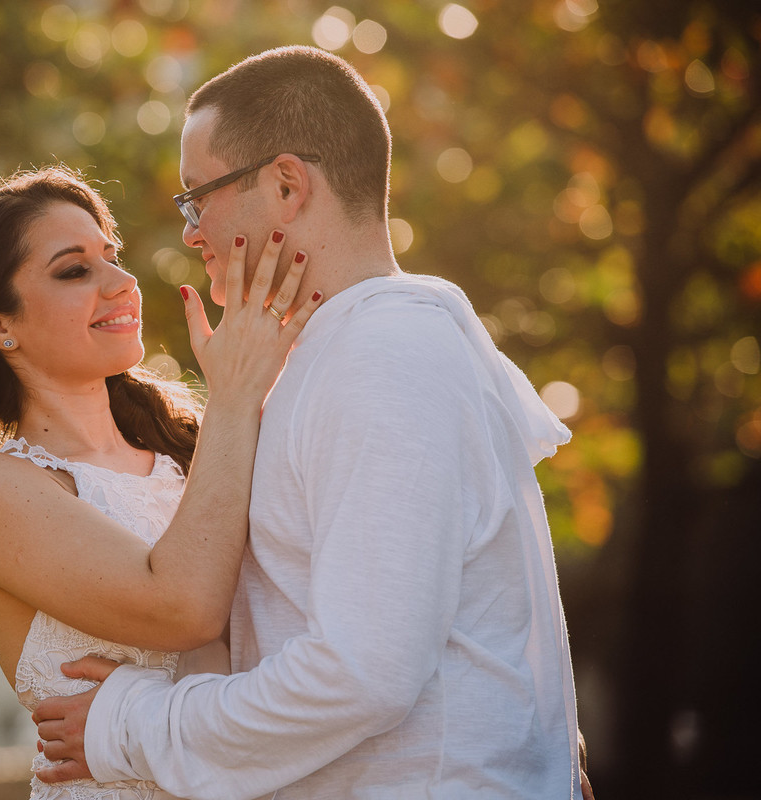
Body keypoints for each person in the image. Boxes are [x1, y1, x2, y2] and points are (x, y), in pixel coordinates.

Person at [33, 46, 593, 799]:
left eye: (198, 197)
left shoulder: (383, 356)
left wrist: (130, 723)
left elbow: (362, 674)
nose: (191, 233)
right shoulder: (341, 355)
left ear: (287, 184)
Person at [0, 164, 323, 799]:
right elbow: (185, 607)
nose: (123, 283)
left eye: (112, 256)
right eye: (75, 270)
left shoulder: (198, 446)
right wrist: (235, 396)